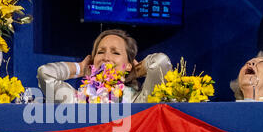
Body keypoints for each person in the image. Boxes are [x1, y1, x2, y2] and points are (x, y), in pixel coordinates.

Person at [37, 29, 172, 103]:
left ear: (129, 65)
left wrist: (136, 71)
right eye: (100, 52)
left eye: (116, 53)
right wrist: (80, 68)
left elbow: (160, 62)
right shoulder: (76, 100)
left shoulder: (138, 101)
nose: (106, 57)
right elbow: (45, 73)